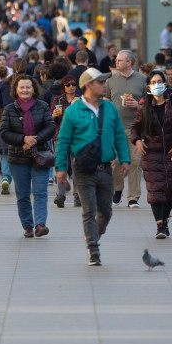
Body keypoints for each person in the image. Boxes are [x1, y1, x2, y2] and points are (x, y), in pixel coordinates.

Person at [55, 68, 130, 266]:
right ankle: (93, 248)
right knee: (89, 210)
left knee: (106, 211)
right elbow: (63, 141)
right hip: (82, 169)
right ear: (89, 85)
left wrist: (125, 159)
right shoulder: (73, 111)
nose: (105, 86)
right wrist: (61, 168)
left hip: (105, 167)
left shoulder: (110, 108)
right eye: (101, 83)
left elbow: (120, 135)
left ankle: (93, 233)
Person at [131, 70, 172, 240]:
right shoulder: (144, 104)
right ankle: (160, 225)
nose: (156, 85)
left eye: (159, 81)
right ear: (149, 86)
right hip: (151, 153)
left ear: (165, 84)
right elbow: (135, 127)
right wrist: (137, 140)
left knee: (170, 189)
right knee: (155, 190)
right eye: (153, 82)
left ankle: (165, 221)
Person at [1, 73, 56, 238]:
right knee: (23, 194)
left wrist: (34, 140)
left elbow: (51, 126)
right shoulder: (9, 109)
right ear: (16, 90)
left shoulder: (43, 106)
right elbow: (4, 132)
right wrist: (22, 139)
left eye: (28, 87)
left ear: (34, 89)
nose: (25, 90)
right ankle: (28, 225)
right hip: (18, 157)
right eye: (22, 87)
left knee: (40, 192)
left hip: (40, 155)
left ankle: (40, 224)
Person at [106, 50, 148, 208]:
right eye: (116, 60)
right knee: (115, 162)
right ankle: (117, 188)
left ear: (129, 62)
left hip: (136, 128)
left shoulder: (143, 79)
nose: (116, 63)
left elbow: (149, 102)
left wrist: (138, 105)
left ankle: (133, 197)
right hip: (115, 128)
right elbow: (106, 100)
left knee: (136, 162)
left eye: (120, 60)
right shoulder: (110, 80)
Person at [50, 74, 80, 208]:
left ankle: (77, 196)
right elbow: (50, 120)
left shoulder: (81, 100)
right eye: (68, 85)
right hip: (60, 137)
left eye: (73, 84)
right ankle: (60, 195)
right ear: (63, 86)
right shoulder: (57, 100)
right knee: (60, 166)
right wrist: (53, 116)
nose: (71, 87)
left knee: (76, 168)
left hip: (77, 138)